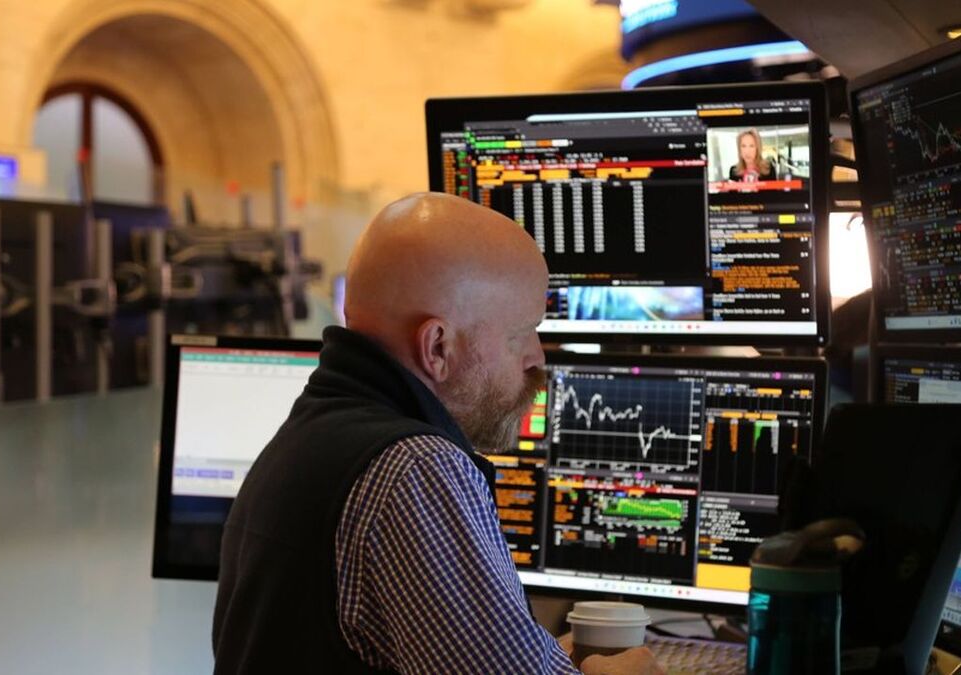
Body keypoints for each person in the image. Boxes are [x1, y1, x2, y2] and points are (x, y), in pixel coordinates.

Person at [212, 192, 663, 675]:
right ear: (436, 347)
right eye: (521, 334)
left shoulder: (310, 435)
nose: (536, 357)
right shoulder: (415, 469)